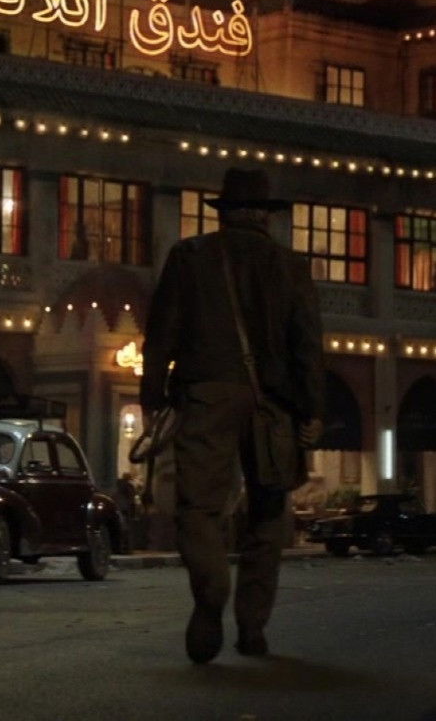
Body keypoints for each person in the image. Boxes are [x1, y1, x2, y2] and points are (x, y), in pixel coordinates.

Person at [143, 167, 324, 663]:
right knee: (267, 514)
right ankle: (252, 627)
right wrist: (312, 409)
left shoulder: (190, 257)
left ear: (223, 213)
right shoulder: (291, 266)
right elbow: (308, 345)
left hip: (206, 395)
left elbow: (161, 334)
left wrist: (153, 397)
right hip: (273, 403)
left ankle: (211, 589)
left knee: (199, 508)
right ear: (266, 215)